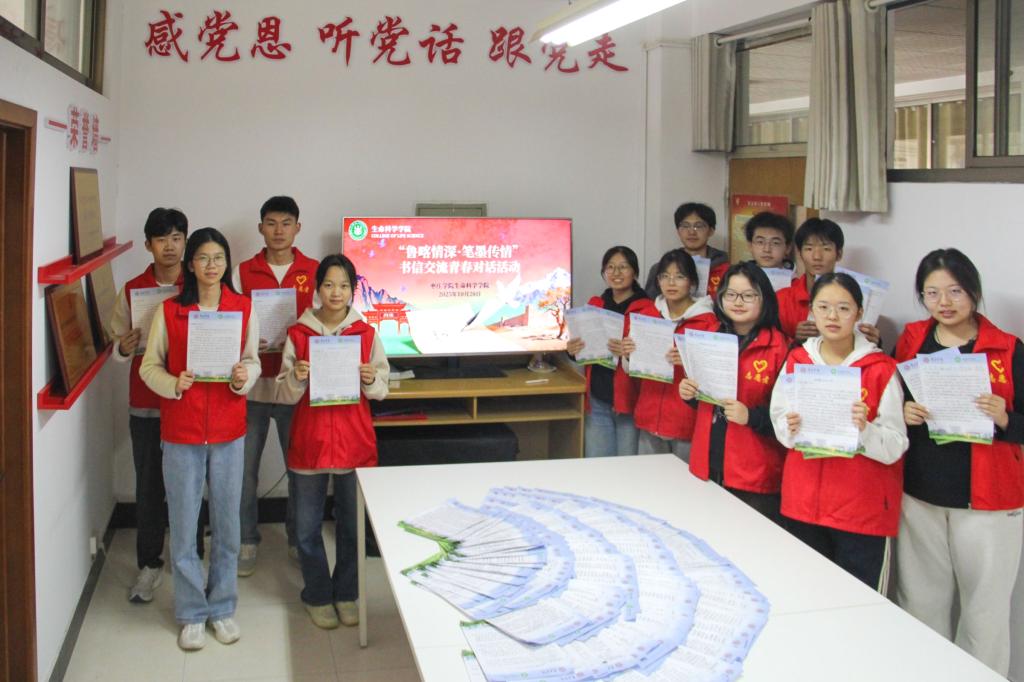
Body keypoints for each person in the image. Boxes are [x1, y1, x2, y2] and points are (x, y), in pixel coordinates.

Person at [893, 249, 1023, 676]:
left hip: (988, 500)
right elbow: (888, 401)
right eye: (932, 293)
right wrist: (903, 411)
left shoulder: (1008, 348)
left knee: (985, 612)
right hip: (920, 493)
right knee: (920, 602)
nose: (944, 302)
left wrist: (1005, 418)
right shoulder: (911, 339)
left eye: (954, 291)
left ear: (973, 292)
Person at [140, 227, 261, 650]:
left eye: (219, 258)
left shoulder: (243, 308)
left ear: (227, 263)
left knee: (227, 524)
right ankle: (191, 611)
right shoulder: (170, 311)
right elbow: (149, 367)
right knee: (184, 524)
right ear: (190, 264)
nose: (212, 266)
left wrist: (245, 376)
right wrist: (174, 383)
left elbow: (252, 361)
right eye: (204, 258)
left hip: (228, 431)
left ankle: (222, 607)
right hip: (182, 431)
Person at [770, 272, 908, 590]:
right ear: (812, 312)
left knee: (859, 601)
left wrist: (865, 430)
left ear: (859, 313)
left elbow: (895, 444)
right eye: (823, 307)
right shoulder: (797, 360)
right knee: (808, 594)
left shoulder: (880, 369)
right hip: (803, 504)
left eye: (844, 308)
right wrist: (789, 428)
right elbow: (779, 420)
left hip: (861, 511)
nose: (832, 316)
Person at [276, 254, 389, 629]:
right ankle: (318, 595)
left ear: (353, 290)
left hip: (353, 445)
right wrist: (297, 376)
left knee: (351, 529)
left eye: (343, 286)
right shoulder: (299, 334)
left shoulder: (366, 334)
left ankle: (346, 594)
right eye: (328, 284)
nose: (336, 293)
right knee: (307, 529)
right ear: (317, 289)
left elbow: (382, 390)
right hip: (309, 444)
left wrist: (371, 379)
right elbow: (284, 394)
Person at [109, 207, 203, 603]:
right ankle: (149, 564)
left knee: (191, 485)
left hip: (188, 401)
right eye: (162, 239)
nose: (170, 246)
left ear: (185, 242)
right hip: (147, 402)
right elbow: (116, 347)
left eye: (177, 237)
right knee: (148, 486)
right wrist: (123, 347)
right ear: (148, 245)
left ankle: (193, 559)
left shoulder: (198, 285)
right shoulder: (132, 289)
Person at [233, 196, 319, 576]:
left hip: (293, 388)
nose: (279, 230)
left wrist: (299, 342)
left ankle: (298, 539)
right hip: (250, 388)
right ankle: (246, 539)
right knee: (243, 471)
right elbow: (230, 320)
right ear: (260, 228)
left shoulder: (314, 271)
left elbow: (324, 323)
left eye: (286, 223)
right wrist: (250, 339)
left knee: (298, 469)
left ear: (298, 228)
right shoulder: (242, 272)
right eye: (271, 223)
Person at [679, 262, 790, 520]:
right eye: (730, 294)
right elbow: (706, 397)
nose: (738, 302)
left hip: (753, 473)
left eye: (748, 295)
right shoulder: (708, 337)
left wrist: (750, 416)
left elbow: (788, 419)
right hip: (707, 462)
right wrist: (690, 394)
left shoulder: (781, 348)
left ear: (764, 298)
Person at [567, 246, 654, 457]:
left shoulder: (648, 310)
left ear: (635, 272)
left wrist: (629, 353)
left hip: (630, 400)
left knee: (626, 467)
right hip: (597, 397)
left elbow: (654, 360)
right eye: (610, 267)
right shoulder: (595, 305)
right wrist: (573, 350)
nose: (616, 273)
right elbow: (582, 350)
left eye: (623, 267)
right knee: (598, 465)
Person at [631, 249, 716, 460]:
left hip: (687, 421)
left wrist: (689, 362)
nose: (671, 283)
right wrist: (628, 354)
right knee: (647, 478)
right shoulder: (646, 315)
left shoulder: (708, 322)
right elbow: (631, 368)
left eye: (679, 276)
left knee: (684, 479)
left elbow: (716, 376)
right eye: (665, 276)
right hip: (649, 415)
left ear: (692, 282)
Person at [776, 218, 880, 344]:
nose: (817, 257)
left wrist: (875, 342)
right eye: (809, 249)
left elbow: (869, 345)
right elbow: (772, 348)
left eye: (826, 249)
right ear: (799, 253)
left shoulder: (857, 296)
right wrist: (795, 340)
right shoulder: (782, 299)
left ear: (839, 254)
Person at [644, 202, 729, 298]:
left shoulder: (726, 267)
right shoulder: (661, 268)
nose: (691, 232)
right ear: (678, 231)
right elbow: (649, 303)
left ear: (711, 231)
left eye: (699, 226)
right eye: (685, 226)